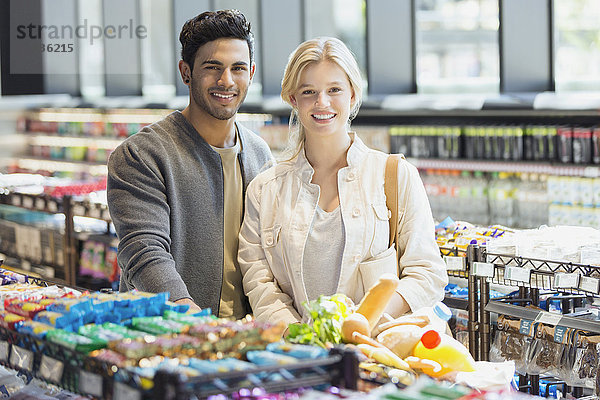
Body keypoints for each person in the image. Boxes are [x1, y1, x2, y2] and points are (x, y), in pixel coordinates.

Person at [238, 37, 447, 329]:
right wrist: (301, 337)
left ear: (351, 95)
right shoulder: (265, 190)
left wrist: (363, 323)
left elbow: (427, 272)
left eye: (334, 89)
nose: (322, 102)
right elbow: (258, 280)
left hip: (379, 357)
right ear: (293, 100)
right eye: (309, 91)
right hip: (302, 359)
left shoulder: (395, 175)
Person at [107, 10, 273, 318]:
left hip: (250, 336)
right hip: (169, 337)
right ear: (186, 72)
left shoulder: (261, 155)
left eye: (237, 68)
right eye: (213, 67)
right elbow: (145, 253)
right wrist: (191, 319)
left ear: (250, 73)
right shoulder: (141, 155)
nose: (226, 80)